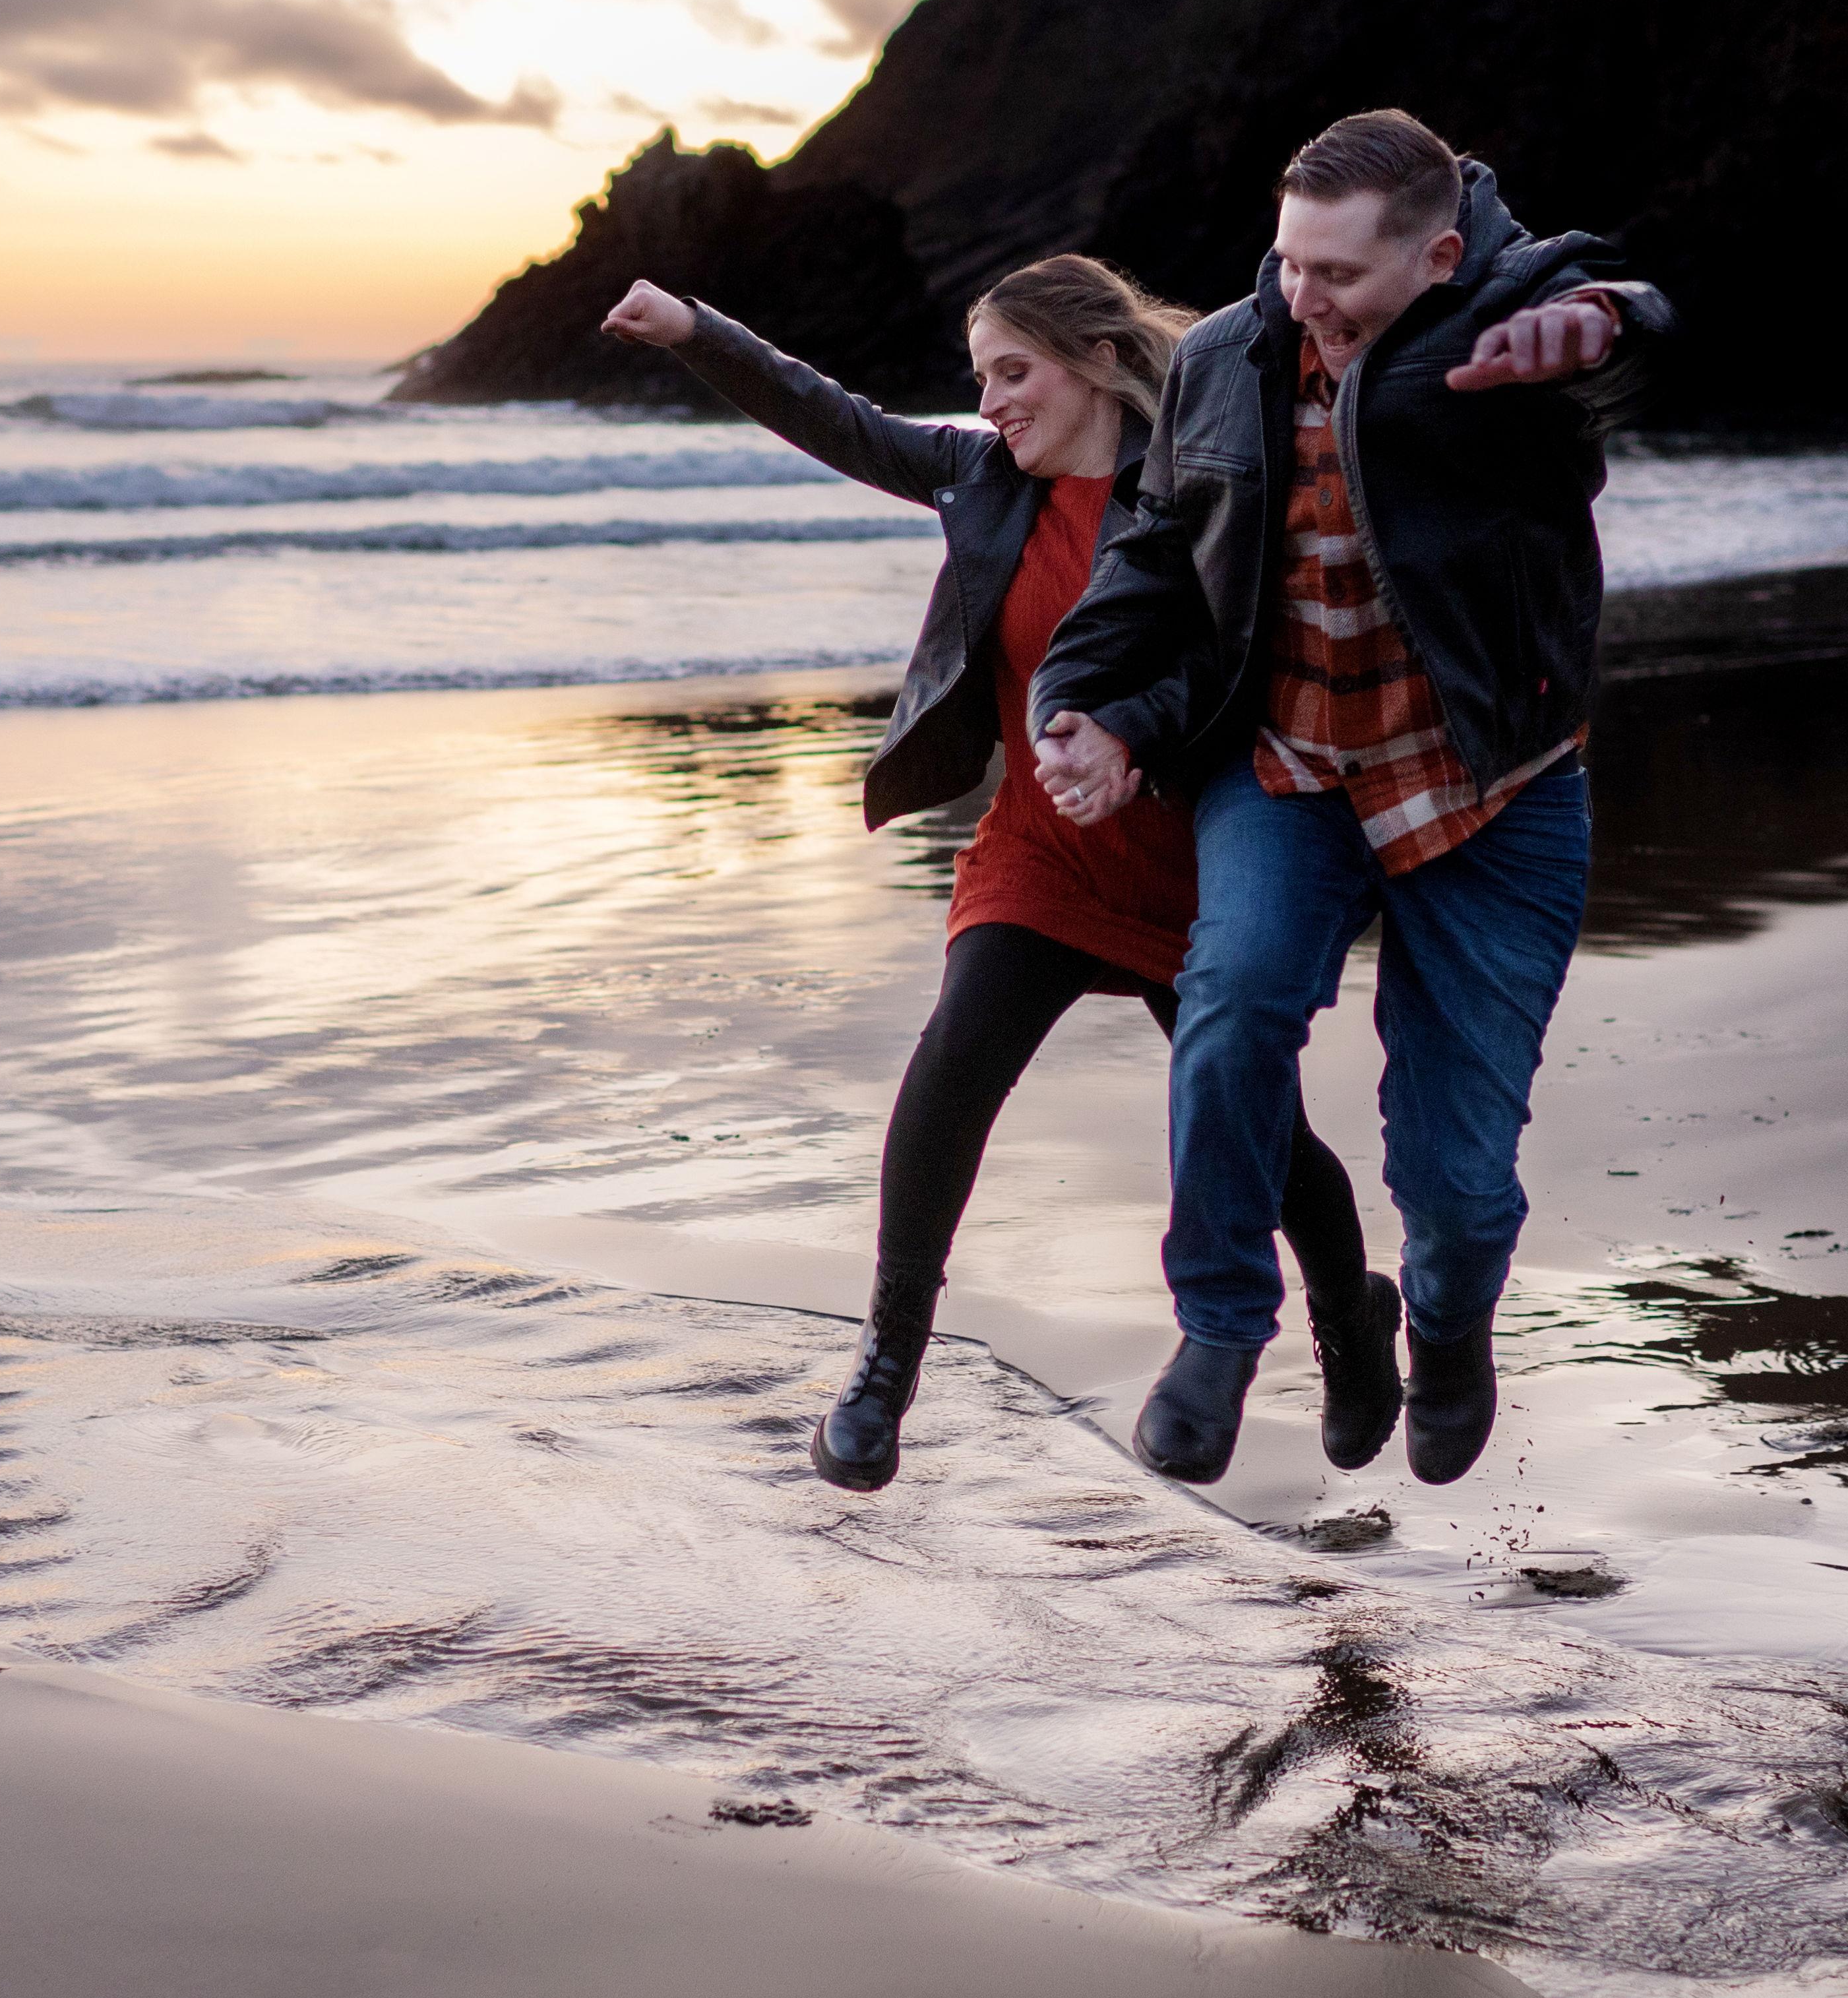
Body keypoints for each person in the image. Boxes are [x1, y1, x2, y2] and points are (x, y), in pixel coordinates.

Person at [596, 259, 1394, 1491]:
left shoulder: (1200, 486)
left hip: (1191, 856)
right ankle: (886, 1368)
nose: (992, 402)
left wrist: (1140, 744)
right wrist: (697, 330)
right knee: (951, 1072)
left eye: (1013, 373)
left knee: (1263, 1131)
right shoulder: (980, 477)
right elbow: (838, 419)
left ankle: (1350, 1315)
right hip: (1038, 850)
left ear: (1095, 364)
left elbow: (1246, 663)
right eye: (980, 379)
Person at [1030, 109, 1671, 1489]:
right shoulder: (1227, 356)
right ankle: (1220, 1325)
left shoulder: (1516, 322)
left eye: (1339, 274)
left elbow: (1620, 325)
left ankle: (1446, 1323)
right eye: (1289, 262)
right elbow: (1153, 551)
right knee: (1230, 1010)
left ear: (1436, 257)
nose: (1302, 297)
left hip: (1492, 790)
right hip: (1291, 769)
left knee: (1459, 1179)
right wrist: (1078, 705)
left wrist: (1601, 327)